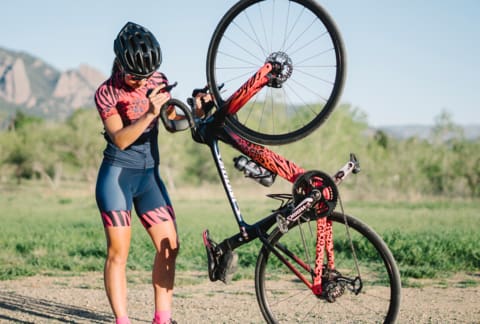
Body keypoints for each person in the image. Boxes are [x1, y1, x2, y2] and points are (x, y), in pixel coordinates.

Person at [94, 21, 184, 324]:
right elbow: (119, 140)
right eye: (135, 75)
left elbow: (173, 123)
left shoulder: (157, 80)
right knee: (119, 253)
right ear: (121, 64)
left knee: (170, 247)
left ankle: (163, 318)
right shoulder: (107, 93)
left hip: (149, 179)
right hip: (117, 179)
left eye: (146, 76)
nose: (141, 81)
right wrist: (148, 112)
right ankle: (123, 321)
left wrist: (195, 108)